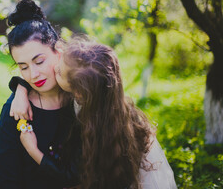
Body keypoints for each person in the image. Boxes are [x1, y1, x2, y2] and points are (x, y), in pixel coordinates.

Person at [11, 38, 177, 189]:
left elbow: (69, 176)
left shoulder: (95, 126)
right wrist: (21, 90)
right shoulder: (94, 80)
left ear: (78, 93)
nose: (55, 67)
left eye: (60, 72)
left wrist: (33, 149)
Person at [0, 0, 79, 189]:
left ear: (59, 51)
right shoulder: (16, 110)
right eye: (24, 67)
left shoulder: (79, 101)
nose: (33, 75)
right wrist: (21, 88)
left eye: (39, 61)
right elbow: (7, 177)